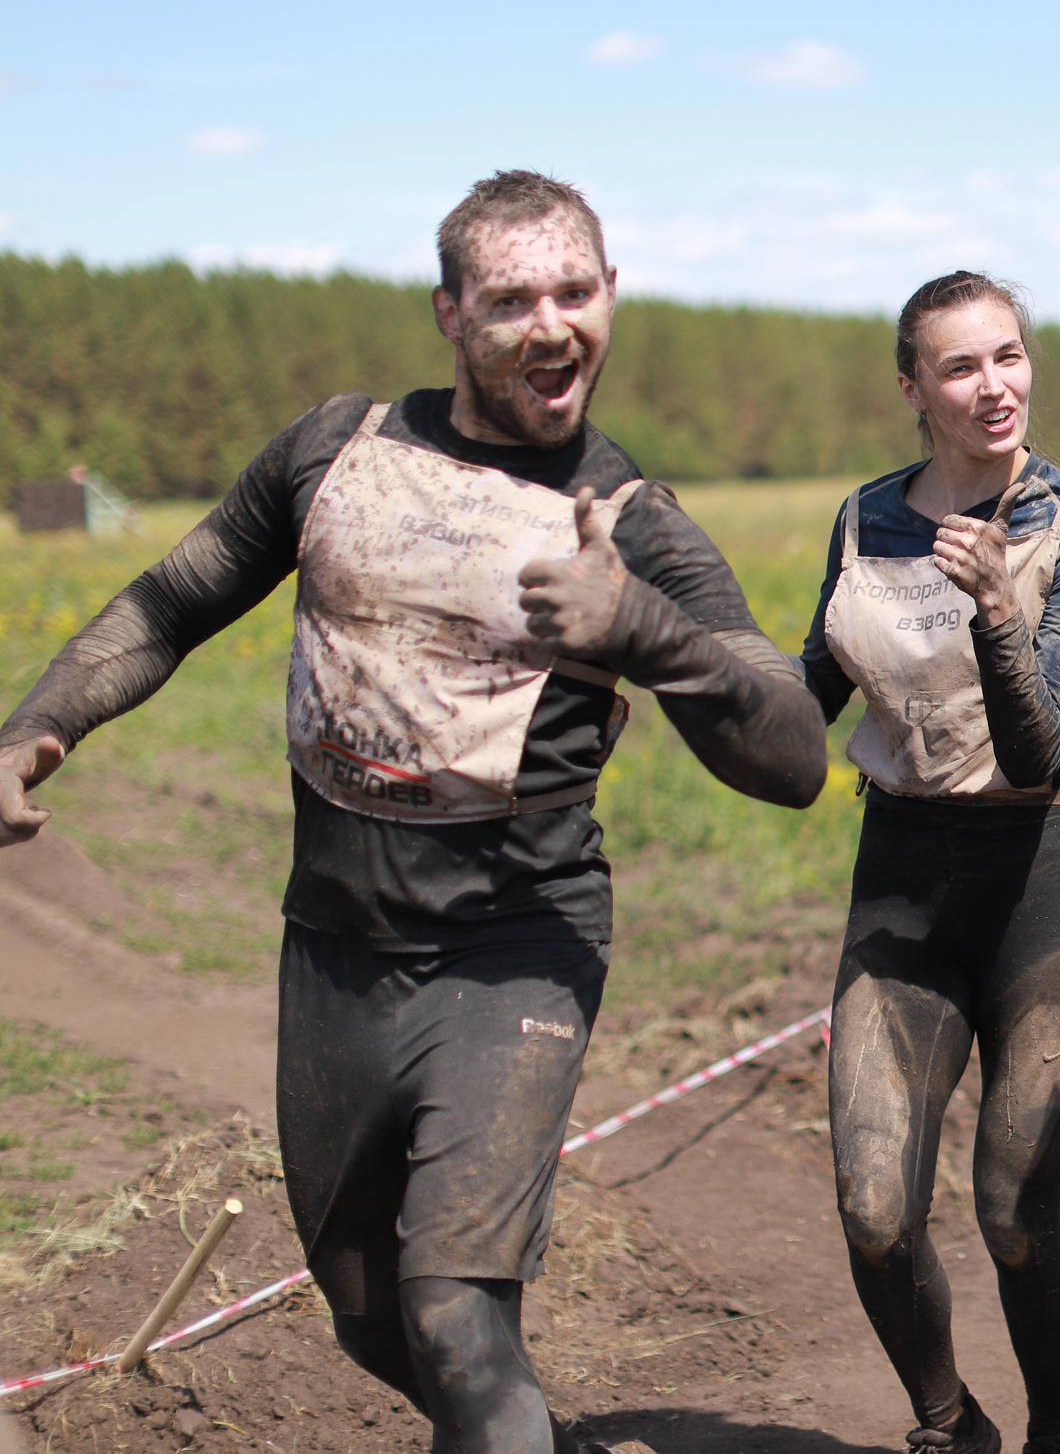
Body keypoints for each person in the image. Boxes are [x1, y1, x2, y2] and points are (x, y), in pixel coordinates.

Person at [0, 172, 827, 1454]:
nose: (549, 324)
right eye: (510, 299)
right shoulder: (338, 450)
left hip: (515, 946)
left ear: (611, 296)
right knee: (370, 1315)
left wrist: (644, 632)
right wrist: (34, 727)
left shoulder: (630, 524)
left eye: (573, 291)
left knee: (454, 1309)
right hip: (333, 943)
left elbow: (792, 753)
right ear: (451, 312)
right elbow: (170, 602)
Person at [798, 271, 1060, 1454]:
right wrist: (680, 678)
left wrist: (997, 604)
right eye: (959, 366)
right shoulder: (862, 521)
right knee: (875, 1213)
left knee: (1012, 1211)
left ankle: (1055, 1427)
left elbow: (1038, 748)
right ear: (913, 389)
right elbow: (803, 704)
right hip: (900, 893)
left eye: (1008, 356)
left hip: (1046, 894)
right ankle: (949, 1421)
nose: (994, 386)